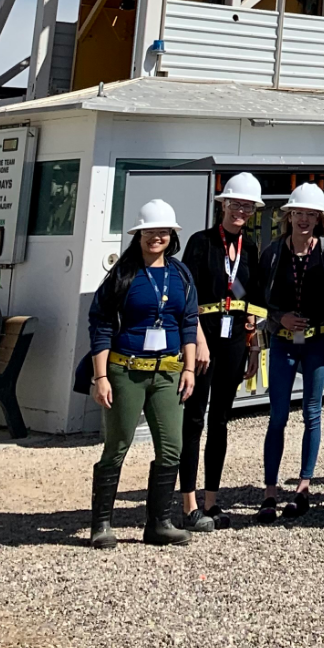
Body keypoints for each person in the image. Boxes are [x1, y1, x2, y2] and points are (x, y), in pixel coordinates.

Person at [85, 199, 197, 548]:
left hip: (168, 371)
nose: (156, 237)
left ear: (172, 236)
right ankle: (101, 525)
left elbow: (189, 322)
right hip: (126, 370)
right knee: (117, 445)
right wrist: (100, 377)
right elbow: (100, 323)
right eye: (149, 231)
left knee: (172, 448)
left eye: (162, 231)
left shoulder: (180, 274)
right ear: (138, 234)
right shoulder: (123, 274)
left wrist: (190, 367)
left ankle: (159, 523)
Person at [179, 172, 264, 532]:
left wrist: (254, 345)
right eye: (236, 203)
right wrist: (196, 340)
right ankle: (188, 503)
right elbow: (189, 295)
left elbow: (256, 299)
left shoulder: (252, 247)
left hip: (234, 340)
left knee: (220, 422)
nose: (241, 210)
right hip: (204, 336)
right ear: (223, 204)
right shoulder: (201, 243)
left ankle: (212, 500)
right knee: (194, 419)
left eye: (247, 205)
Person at [254, 183, 324, 523]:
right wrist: (279, 318)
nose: (303, 220)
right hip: (284, 341)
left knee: (312, 412)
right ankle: (270, 490)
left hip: (318, 341)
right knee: (277, 414)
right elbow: (261, 301)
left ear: (320, 219)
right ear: (288, 216)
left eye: (310, 214)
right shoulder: (274, 253)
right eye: (298, 214)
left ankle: (303, 486)